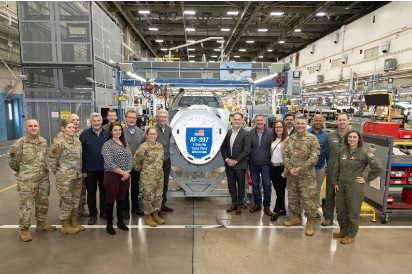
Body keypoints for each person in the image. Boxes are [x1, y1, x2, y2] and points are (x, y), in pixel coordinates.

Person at [8, 118, 56, 242]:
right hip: (27, 181)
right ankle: (24, 229)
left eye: (35, 125)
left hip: (43, 178)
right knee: (27, 205)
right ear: (25, 128)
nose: (33, 128)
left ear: (38, 127)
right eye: (30, 126)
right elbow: (13, 162)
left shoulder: (43, 142)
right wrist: (25, 172)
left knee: (43, 202)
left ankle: (41, 223)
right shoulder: (19, 144)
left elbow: (44, 159)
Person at [332, 130, 383, 244]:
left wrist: (366, 179)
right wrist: (335, 182)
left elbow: (378, 168)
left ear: (359, 139)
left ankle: (351, 234)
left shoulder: (364, 153)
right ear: (347, 138)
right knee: (341, 210)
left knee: (353, 211)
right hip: (341, 185)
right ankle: (343, 231)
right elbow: (336, 167)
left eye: (354, 137)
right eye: (350, 137)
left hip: (355, 186)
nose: (352, 139)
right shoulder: (342, 151)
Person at [283, 116, 320, 236]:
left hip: (307, 176)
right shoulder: (291, 139)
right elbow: (286, 155)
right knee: (293, 197)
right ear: (294, 124)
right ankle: (296, 216)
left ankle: (310, 221)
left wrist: (300, 169)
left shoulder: (312, 139)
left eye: (302, 123)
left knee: (308, 199)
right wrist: (289, 168)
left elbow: (314, 158)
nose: (300, 125)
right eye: (297, 123)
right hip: (292, 175)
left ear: (306, 124)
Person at [49, 120, 84, 234]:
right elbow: (53, 160)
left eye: (73, 128)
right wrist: (59, 174)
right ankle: (65, 224)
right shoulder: (59, 142)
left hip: (77, 176)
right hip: (64, 177)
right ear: (63, 128)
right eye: (69, 127)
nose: (72, 129)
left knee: (75, 198)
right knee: (66, 200)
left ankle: (73, 221)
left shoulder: (77, 141)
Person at [101, 122, 133, 235]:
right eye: (115, 130)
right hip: (112, 176)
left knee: (121, 199)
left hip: (125, 176)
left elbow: (130, 158)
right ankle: (109, 225)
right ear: (111, 132)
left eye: (119, 130)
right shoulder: (107, 145)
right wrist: (122, 172)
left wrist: (128, 171)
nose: (118, 132)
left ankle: (120, 222)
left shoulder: (125, 143)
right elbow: (109, 163)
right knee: (110, 200)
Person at [55, 114, 88, 217]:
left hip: (78, 170)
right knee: (66, 196)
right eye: (73, 120)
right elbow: (54, 159)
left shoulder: (82, 134)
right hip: (66, 173)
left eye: (77, 120)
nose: (76, 122)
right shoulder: (60, 137)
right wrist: (60, 172)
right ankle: (66, 216)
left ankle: (80, 208)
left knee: (80, 192)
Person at [322, 112, 350, 226]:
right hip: (332, 166)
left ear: (348, 120)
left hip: (347, 168)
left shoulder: (353, 135)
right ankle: (328, 217)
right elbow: (327, 152)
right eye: (340, 120)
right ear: (337, 121)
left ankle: (344, 219)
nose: (342, 122)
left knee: (345, 194)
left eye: (344, 120)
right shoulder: (331, 135)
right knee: (329, 192)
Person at [79, 112, 108, 225]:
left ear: (102, 122)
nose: (96, 123)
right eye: (94, 121)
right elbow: (80, 154)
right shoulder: (84, 135)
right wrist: (83, 170)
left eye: (98, 121)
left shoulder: (107, 134)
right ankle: (93, 215)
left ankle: (104, 212)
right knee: (91, 194)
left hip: (105, 170)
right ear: (90, 122)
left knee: (104, 192)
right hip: (89, 170)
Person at [133, 127, 166, 227]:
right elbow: (136, 163)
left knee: (158, 197)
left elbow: (161, 160)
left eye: (154, 134)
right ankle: (148, 216)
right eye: (150, 134)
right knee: (148, 198)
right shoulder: (142, 148)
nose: (153, 136)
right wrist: (145, 172)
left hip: (159, 176)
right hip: (148, 178)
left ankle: (155, 214)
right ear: (146, 135)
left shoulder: (160, 146)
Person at [221, 112, 251, 215]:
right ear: (232, 120)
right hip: (229, 164)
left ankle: (239, 205)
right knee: (231, 185)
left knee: (241, 185)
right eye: (235, 119)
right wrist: (227, 159)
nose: (236, 121)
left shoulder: (246, 133)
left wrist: (236, 161)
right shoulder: (228, 132)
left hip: (240, 164)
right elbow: (223, 148)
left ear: (242, 121)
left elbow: (247, 150)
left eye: (239, 119)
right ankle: (233, 203)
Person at [249, 114, 273, 217]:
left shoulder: (271, 133)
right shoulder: (250, 133)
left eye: (261, 120)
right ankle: (257, 204)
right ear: (255, 122)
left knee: (267, 185)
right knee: (255, 185)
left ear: (264, 121)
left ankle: (267, 206)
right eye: (257, 120)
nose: (259, 122)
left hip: (266, 164)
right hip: (253, 164)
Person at [123, 110, 145, 218]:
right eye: (129, 117)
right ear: (125, 118)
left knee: (136, 187)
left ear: (136, 119)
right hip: (124, 165)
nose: (131, 120)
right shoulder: (120, 131)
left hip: (136, 165)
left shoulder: (140, 132)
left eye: (134, 118)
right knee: (124, 188)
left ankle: (135, 208)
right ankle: (125, 209)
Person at [307, 114, 327, 219]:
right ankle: (306, 209)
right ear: (312, 121)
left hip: (320, 167)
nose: (318, 122)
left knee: (317, 190)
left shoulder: (326, 135)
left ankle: (314, 211)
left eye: (320, 120)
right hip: (307, 168)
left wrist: (327, 166)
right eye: (316, 120)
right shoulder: (306, 133)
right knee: (306, 189)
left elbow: (328, 151)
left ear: (322, 121)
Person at [269, 120, 289, 221]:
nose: (278, 129)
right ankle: (283, 209)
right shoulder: (273, 139)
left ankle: (275, 211)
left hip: (282, 168)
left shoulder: (287, 140)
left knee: (281, 191)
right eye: (276, 127)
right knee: (277, 190)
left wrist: (286, 170)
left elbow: (289, 156)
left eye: (280, 127)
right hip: (273, 167)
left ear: (283, 128)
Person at [155, 109, 174, 213]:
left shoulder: (169, 129)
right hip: (155, 161)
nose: (163, 119)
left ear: (167, 119)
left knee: (165, 183)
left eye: (165, 117)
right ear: (157, 118)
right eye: (161, 117)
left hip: (166, 160)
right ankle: (155, 206)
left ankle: (163, 204)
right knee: (156, 184)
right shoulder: (152, 129)